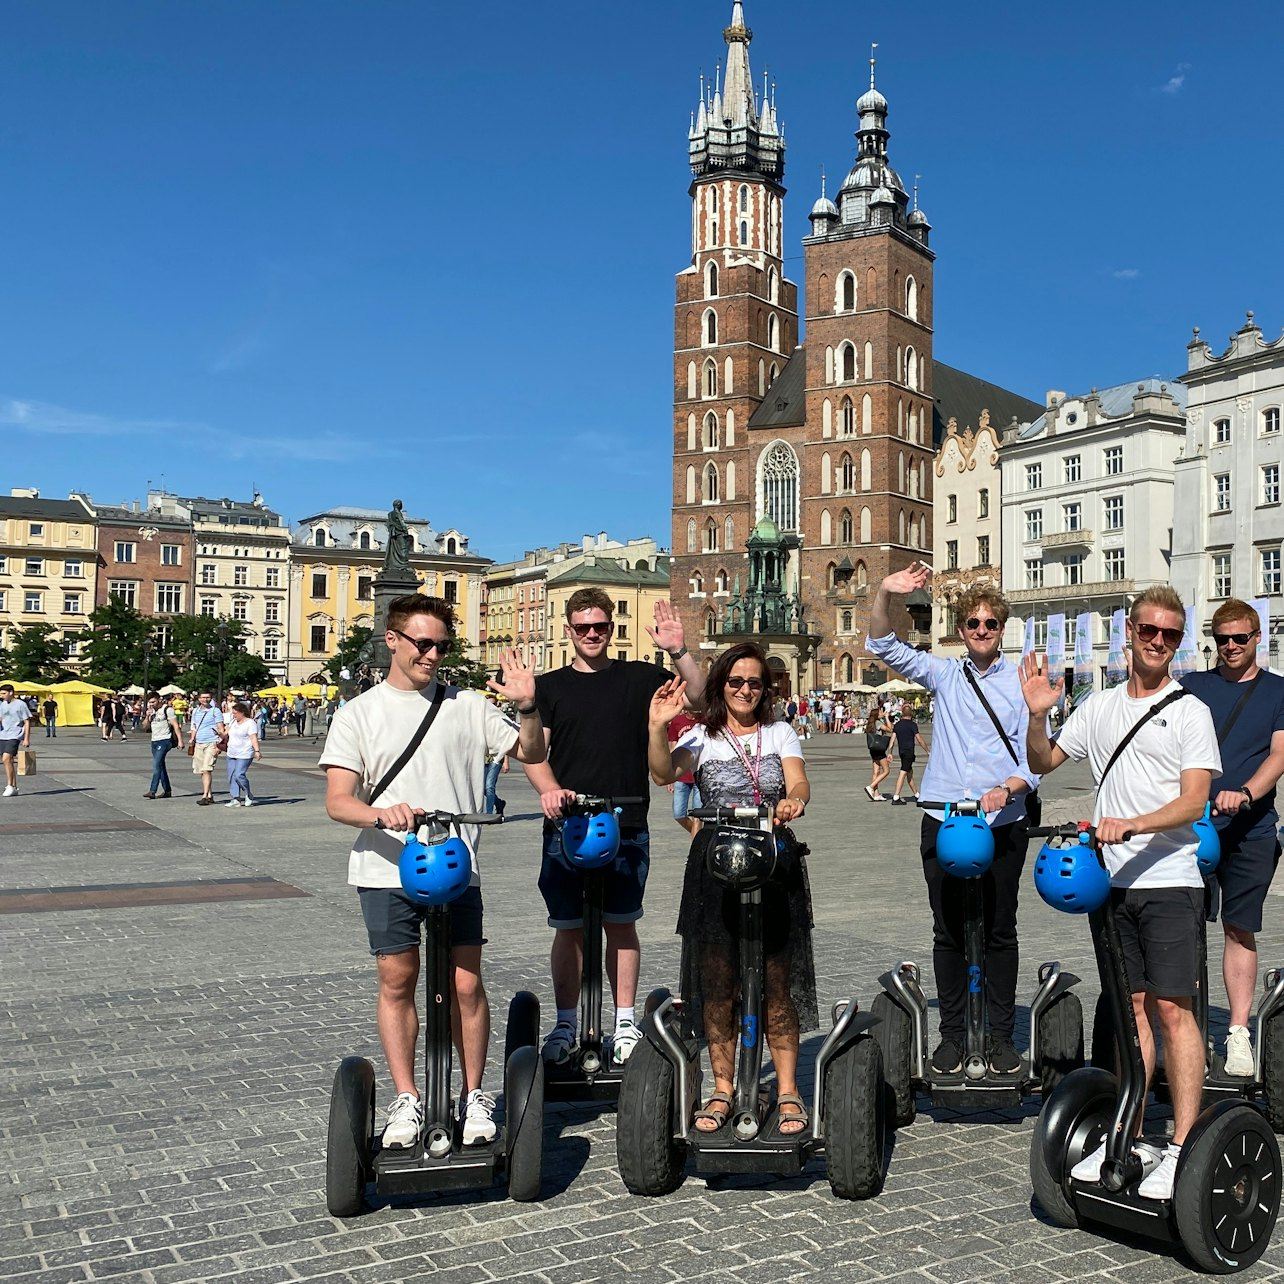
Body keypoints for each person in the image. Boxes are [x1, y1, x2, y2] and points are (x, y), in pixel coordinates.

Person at [322, 594, 546, 1149]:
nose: (432, 655)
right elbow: (337, 800)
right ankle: (407, 1098)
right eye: (423, 643)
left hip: (455, 868)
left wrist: (527, 707)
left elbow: (531, 751)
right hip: (386, 868)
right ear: (392, 639)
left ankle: (473, 1096)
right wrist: (380, 812)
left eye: (442, 646)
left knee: (466, 983)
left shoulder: (466, 705)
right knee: (397, 980)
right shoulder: (359, 713)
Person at [1021, 584, 1220, 1199]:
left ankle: (1184, 1145)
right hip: (1114, 883)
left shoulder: (1190, 711)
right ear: (1129, 633)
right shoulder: (1100, 706)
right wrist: (1036, 713)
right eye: (1149, 631)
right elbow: (1045, 760)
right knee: (1130, 1010)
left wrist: (1133, 823)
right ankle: (1129, 1134)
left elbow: (1195, 800)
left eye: (1170, 635)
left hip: (1168, 880)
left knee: (1173, 1011)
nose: (1158, 642)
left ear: (1178, 642)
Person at [523, 590, 706, 1069]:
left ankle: (624, 1020)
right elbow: (532, 753)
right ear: (568, 630)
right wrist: (547, 790)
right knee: (568, 930)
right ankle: (567, 1022)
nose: (591, 634)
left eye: (599, 626)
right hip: (567, 822)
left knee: (621, 925)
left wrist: (678, 651)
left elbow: (701, 697)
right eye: (582, 627)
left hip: (626, 818)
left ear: (610, 627)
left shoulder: (641, 677)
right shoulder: (549, 686)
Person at [867, 565, 1037, 1076]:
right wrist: (884, 592)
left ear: (1001, 628)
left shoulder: (1022, 680)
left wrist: (1007, 787)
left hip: (1002, 820)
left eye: (990, 624)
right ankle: (954, 1035)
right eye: (972, 624)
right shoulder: (946, 673)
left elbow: (1039, 757)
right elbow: (883, 645)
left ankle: (1003, 1037)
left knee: (1000, 929)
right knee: (948, 930)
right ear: (960, 629)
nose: (982, 631)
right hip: (944, 816)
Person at [647, 644, 816, 1134]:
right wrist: (658, 726)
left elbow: (799, 781)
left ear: (766, 689)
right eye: (736, 682)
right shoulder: (703, 736)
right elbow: (663, 773)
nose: (745, 690)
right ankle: (722, 1087)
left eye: (755, 683)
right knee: (718, 983)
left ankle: (786, 1090)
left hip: (772, 857)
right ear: (721, 685)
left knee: (777, 982)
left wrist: (793, 803)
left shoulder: (780, 732)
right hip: (714, 865)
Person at [1181, 599, 1284, 1076]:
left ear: (1256, 637)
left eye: (1240, 638)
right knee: (1180, 927)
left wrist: (1244, 793)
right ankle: (1185, 1028)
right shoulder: (1193, 686)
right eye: (1222, 639)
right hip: (1190, 826)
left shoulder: (1277, 691)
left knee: (1239, 928)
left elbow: (1279, 756)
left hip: (1250, 829)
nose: (1230, 647)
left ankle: (1238, 1032)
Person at [666, 707, 702, 835]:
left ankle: (697, 848)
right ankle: (701, 837)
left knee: (699, 817)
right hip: (681, 775)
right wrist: (670, 776)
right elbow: (672, 749)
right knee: (678, 814)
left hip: (699, 775)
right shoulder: (677, 721)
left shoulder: (705, 721)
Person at [187, 691, 225, 806]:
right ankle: (209, 794)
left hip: (211, 742)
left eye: (208, 697)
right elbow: (193, 726)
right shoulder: (195, 711)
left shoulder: (215, 711)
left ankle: (205, 796)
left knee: (207, 769)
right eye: (203, 697)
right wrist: (192, 738)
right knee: (202, 770)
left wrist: (220, 742)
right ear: (199, 699)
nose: (205, 699)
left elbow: (220, 727)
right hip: (199, 743)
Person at [224, 702, 263, 807]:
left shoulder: (250, 723)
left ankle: (248, 793)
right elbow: (225, 733)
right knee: (231, 776)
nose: (234, 715)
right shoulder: (233, 722)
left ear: (242, 713)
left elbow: (253, 737)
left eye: (235, 713)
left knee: (239, 775)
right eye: (233, 713)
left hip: (245, 753)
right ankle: (235, 798)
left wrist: (257, 751)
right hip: (232, 752)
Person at [144, 694, 181, 799]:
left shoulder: (167, 710)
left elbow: (175, 725)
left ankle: (152, 790)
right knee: (160, 766)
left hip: (165, 740)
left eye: (153, 702)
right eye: (150, 702)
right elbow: (145, 727)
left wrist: (180, 741)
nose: (151, 704)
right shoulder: (152, 712)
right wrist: (147, 716)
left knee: (156, 765)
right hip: (154, 740)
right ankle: (167, 790)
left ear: (159, 700)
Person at [889, 707, 929, 804]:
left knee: (909, 772)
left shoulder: (897, 725)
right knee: (903, 772)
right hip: (909, 752)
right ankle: (896, 797)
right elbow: (919, 739)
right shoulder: (912, 725)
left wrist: (889, 752)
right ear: (911, 714)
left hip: (902, 752)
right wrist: (927, 750)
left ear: (902, 714)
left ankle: (916, 795)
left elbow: (892, 739)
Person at [0, 683, 33, 797]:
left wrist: (26, 738)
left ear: (11, 693)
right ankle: (13, 786)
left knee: (6, 758)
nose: (2, 696)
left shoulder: (21, 704)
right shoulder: (3, 704)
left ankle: (9, 785)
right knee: (7, 761)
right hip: (3, 735)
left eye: (4, 693)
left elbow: (27, 722)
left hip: (15, 735)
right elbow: (1, 718)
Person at [863, 702, 894, 801]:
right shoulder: (878, 723)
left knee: (876, 772)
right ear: (877, 715)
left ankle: (876, 794)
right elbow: (890, 729)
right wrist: (887, 717)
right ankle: (871, 787)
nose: (882, 712)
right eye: (880, 712)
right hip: (880, 749)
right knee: (886, 770)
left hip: (873, 749)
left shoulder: (871, 724)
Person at [482, 747, 508, 819]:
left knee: (489, 786)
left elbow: (505, 743)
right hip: (483, 759)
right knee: (484, 789)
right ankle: (499, 804)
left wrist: (506, 761)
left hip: (497, 758)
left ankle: (489, 815)